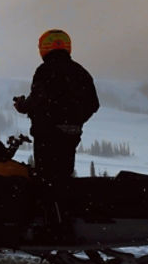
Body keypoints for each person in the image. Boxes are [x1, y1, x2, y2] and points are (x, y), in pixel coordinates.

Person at [13, 29, 99, 184]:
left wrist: (23, 106)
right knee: (63, 177)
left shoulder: (45, 70)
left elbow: (38, 98)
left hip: (47, 134)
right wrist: (74, 120)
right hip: (71, 134)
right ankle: (62, 206)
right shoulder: (81, 72)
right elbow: (93, 104)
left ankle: (49, 207)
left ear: (44, 48)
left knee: (46, 180)